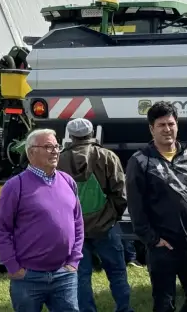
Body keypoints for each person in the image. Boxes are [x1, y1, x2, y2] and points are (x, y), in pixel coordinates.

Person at [125, 101, 187, 312]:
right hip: (162, 245)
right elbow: (136, 207)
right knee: (164, 304)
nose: (167, 129)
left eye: (171, 124)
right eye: (161, 125)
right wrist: (152, 239)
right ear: (151, 129)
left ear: (177, 125)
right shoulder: (141, 161)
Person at [0, 128, 83, 312]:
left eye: (57, 146)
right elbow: (1, 230)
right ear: (32, 152)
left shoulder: (68, 181)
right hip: (28, 277)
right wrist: (13, 267)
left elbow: (78, 224)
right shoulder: (15, 186)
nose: (55, 151)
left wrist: (73, 261)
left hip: (64, 275)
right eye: (49, 147)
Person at [56, 118, 133, 312]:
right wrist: (111, 218)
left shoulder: (59, 160)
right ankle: (124, 308)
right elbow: (120, 193)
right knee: (117, 271)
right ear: (91, 134)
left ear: (71, 136)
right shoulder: (106, 156)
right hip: (106, 227)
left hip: (73, 230)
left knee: (80, 275)